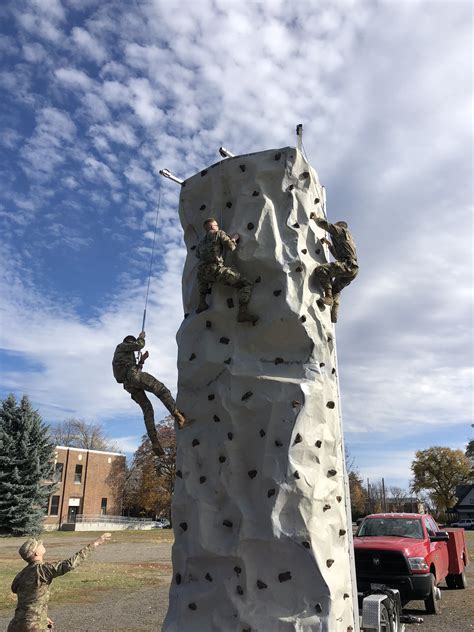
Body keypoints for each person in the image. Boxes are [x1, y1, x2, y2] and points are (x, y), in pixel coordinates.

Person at [8, 532, 111, 632]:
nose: (41, 544)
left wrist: (43, 617)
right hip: (34, 627)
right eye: (39, 545)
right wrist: (96, 543)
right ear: (36, 553)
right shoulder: (43, 570)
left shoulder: (20, 575)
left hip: (15, 625)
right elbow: (70, 564)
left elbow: (18, 591)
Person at [112, 331, 188, 451]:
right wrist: (141, 338)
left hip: (129, 385)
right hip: (133, 377)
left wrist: (141, 361)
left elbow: (132, 371)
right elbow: (139, 345)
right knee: (161, 390)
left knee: (148, 409)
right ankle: (178, 416)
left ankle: (155, 442)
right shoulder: (121, 347)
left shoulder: (122, 357)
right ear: (128, 342)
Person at [196, 218, 258, 324]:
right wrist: (234, 239)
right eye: (216, 225)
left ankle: (202, 302)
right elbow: (231, 247)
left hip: (203, 274)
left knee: (202, 277)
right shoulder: (218, 233)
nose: (218, 227)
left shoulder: (201, 242)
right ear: (212, 227)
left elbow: (197, 255)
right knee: (246, 284)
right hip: (217, 271)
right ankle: (242, 313)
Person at [312, 217, 359, 323]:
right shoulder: (348, 238)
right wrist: (329, 246)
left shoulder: (341, 231)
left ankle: (328, 298)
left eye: (336, 225)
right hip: (353, 269)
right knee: (336, 289)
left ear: (340, 225)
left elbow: (326, 226)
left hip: (348, 265)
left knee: (321, 270)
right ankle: (334, 315)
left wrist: (315, 218)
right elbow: (340, 256)